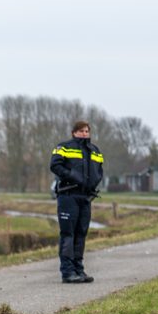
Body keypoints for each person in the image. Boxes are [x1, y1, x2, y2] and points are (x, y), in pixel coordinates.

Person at [49, 120, 104, 283]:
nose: (84, 134)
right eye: (81, 131)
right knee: (68, 234)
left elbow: (99, 170)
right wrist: (73, 175)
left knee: (81, 234)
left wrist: (93, 183)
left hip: (85, 197)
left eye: (87, 131)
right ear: (74, 133)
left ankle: (79, 269)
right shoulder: (64, 147)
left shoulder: (95, 151)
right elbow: (55, 165)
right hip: (68, 196)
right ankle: (67, 272)